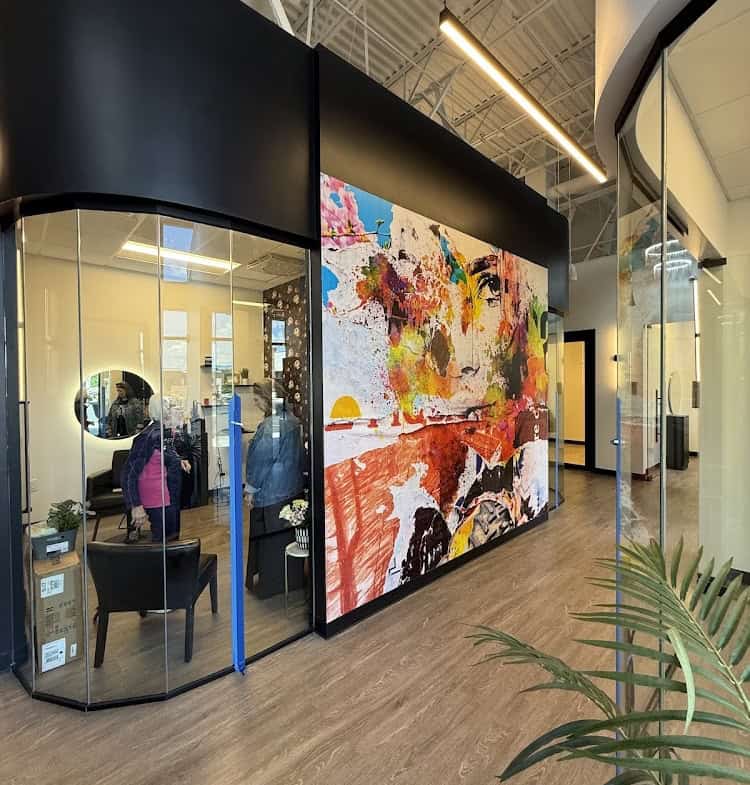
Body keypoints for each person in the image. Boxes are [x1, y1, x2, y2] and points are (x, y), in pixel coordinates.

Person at [245, 379, 305, 595]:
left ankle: (272, 586)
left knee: (271, 544)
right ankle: (292, 580)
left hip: (272, 493)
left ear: (267, 399)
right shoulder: (293, 420)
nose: (255, 403)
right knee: (288, 539)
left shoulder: (271, 426)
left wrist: (250, 489)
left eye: (257, 399)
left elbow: (261, 461)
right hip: (292, 489)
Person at [121, 397, 191, 542]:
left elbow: (161, 455)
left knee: (172, 540)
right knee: (163, 544)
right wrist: (135, 505)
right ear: (165, 412)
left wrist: (178, 460)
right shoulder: (147, 437)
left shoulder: (166, 433)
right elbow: (128, 474)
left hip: (169, 498)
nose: (181, 411)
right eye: (175, 408)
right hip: (156, 499)